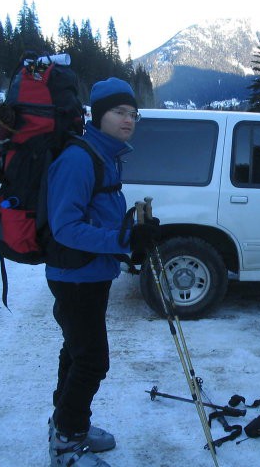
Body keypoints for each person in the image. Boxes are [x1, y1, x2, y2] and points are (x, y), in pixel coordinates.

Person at [46, 77, 159, 466]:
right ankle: (66, 443)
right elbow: (65, 226)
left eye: (133, 113)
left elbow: (99, 215)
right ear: (98, 115)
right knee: (93, 361)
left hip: (90, 273)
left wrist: (134, 235)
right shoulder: (80, 158)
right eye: (118, 112)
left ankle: (66, 424)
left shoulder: (106, 154)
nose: (128, 120)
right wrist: (122, 241)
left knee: (75, 353)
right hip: (74, 276)